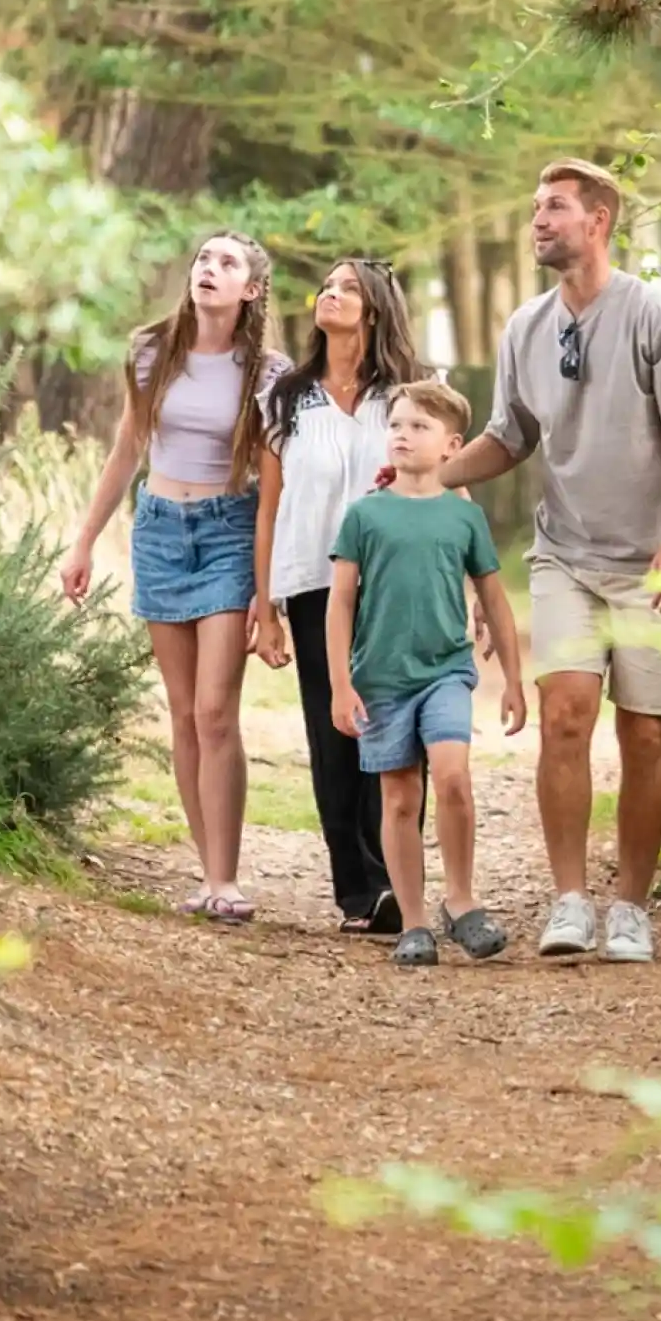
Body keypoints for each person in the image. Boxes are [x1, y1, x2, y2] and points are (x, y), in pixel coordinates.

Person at [437, 159, 661, 964]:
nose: (538, 219)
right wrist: (433, 471)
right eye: (534, 206)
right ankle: (569, 902)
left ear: (598, 221)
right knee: (565, 716)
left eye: (555, 208)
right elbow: (510, 437)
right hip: (564, 554)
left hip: (655, 564)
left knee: (645, 736)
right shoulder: (525, 328)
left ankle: (631, 906)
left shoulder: (655, 317)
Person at [62, 231, 290, 923]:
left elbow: (274, 485)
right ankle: (206, 873)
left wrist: (266, 584)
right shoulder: (149, 349)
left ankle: (227, 879)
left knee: (218, 710)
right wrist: (83, 540)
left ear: (251, 289)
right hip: (160, 529)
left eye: (227, 263)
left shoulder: (269, 370)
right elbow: (128, 446)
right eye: (203, 259)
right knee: (186, 712)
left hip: (228, 530)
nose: (208, 270)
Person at [253, 257, 429, 936]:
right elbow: (269, 505)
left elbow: (443, 481)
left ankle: (396, 877)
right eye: (327, 285)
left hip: (395, 579)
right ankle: (358, 890)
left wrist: (471, 586)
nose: (331, 293)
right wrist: (264, 603)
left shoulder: (406, 397)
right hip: (313, 581)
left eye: (348, 287)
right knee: (336, 730)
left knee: (395, 724)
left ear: (376, 308)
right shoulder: (285, 397)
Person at [329, 381, 525, 967]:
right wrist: (341, 683)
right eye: (396, 425)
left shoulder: (463, 517)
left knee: (453, 778)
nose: (402, 435)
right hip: (382, 678)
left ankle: (462, 902)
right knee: (397, 800)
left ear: (451, 445)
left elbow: (494, 598)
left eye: (418, 426)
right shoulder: (364, 515)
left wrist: (514, 679)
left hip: (445, 671)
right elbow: (340, 603)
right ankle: (413, 922)